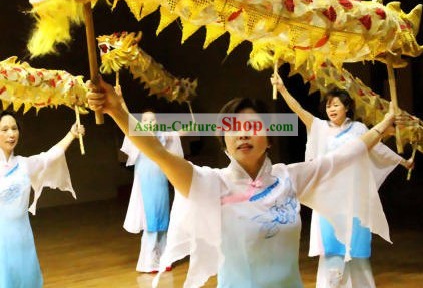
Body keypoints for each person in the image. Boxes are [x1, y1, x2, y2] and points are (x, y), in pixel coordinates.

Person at [87, 76, 402, 288]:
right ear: (224, 142)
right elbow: (156, 151)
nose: (243, 133)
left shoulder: (289, 177)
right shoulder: (211, 184)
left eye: (252, 125)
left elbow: (347, 155)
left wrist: (386, 124)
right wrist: (117, 110)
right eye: (233, 128)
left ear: (269, 138)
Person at [271, 72, 414, 288]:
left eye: (336, 105)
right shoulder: (320, 128)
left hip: (353, 198)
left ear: (347, 107)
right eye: (329, 105)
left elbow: (378, 148)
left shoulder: (358, 129)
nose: (332, 109)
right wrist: (282, 89)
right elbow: (298, 110)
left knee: (355, 246)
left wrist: (403, 162)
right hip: (328, 199)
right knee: (332, 246)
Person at [0, 110, 85, 288]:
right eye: (5, 129)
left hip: (22, 235)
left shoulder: (24, 164)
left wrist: (71, 134)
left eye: (14, 128)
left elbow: (49, 157)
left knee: (26, 279)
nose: (11, 134)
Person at [115, 86, 184, 273]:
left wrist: (188, 104)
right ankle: (148, 262)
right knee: (151, 223)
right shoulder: (138, 136)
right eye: (145, 120)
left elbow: (181, 133)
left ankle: (164, 259)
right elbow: (127, 118)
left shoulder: (162, 136)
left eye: (152, 119)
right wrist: (121, 100)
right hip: (146, 185)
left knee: (163, 222)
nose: (148, 122)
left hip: (160, 184)